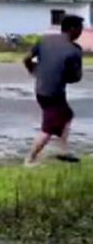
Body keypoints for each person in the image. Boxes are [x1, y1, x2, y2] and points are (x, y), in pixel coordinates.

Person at [23, 14, 84, 166]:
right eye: (80, 29)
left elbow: (26, 58)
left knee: (67, 114)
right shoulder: (74, 50)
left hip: (41, 89)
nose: (81, 32)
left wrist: (34, 71)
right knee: (47, 129)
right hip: (53, 93)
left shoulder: (45, 40)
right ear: (72, 29)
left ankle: (63, 151)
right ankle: (29, 160)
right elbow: (76, 78)